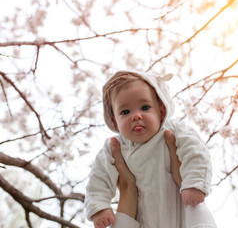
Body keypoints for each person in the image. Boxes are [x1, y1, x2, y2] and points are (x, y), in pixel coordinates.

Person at [85, 70, 217, 228]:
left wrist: (194, 183)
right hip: (144, 220)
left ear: (161, 112)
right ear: (114, 122)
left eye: (145, 107)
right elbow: (98, 176)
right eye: (125, 112)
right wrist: (99, 207)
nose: (136, 116)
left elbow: (196, 152)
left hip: (181, 213)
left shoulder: (174, 131)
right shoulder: (115, 147)